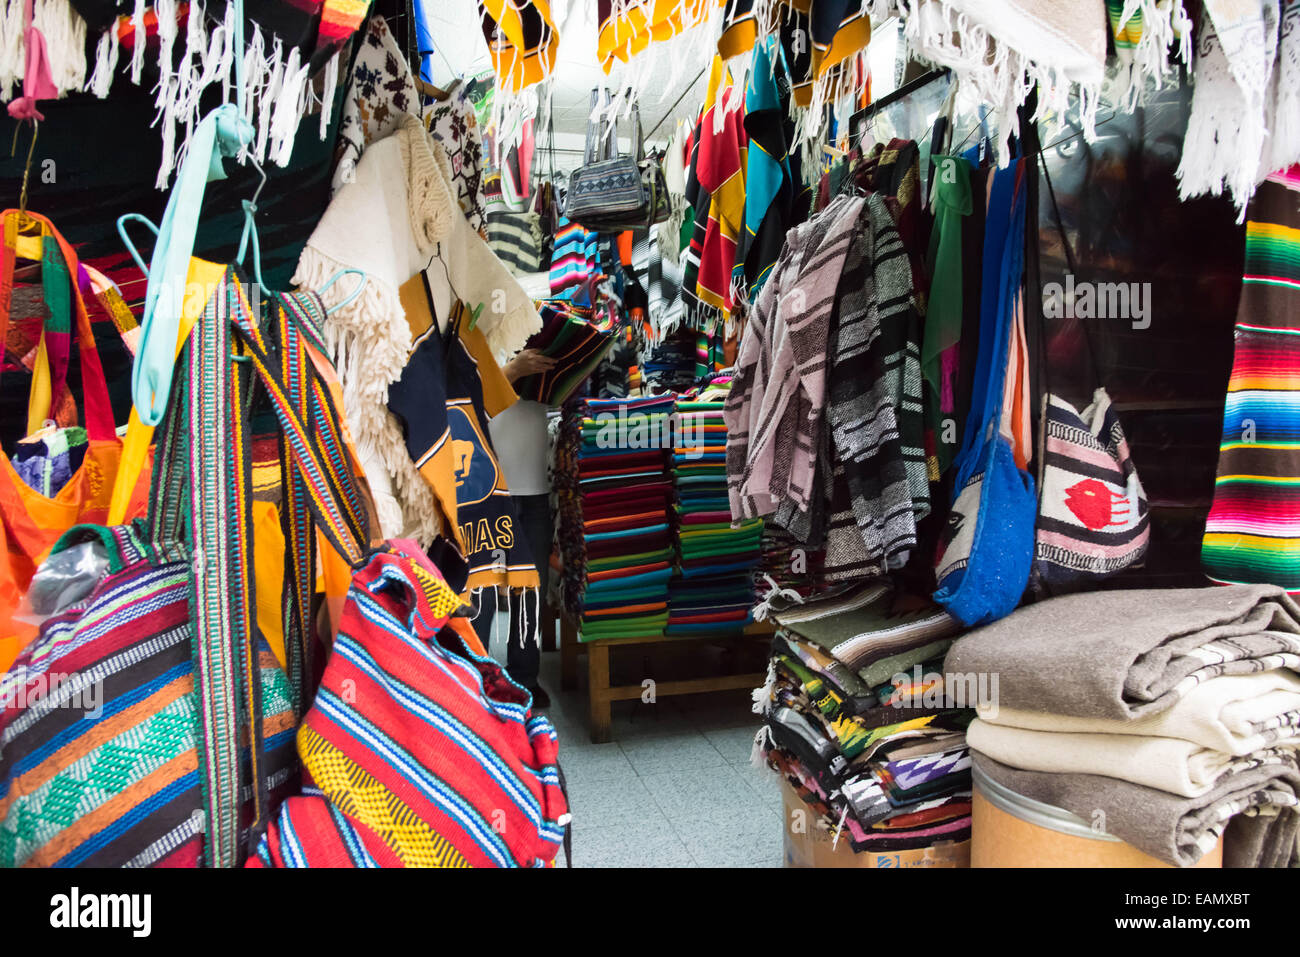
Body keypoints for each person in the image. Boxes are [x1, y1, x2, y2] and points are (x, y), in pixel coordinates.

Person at [476, 347, 557, 707]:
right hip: (489, 488)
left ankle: (525, 677)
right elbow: (464, 395)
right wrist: (511, 369)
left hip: (535, 486)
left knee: (530, 589)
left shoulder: (543, 336)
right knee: (484, 591)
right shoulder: (476, 334)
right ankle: (473, 677)